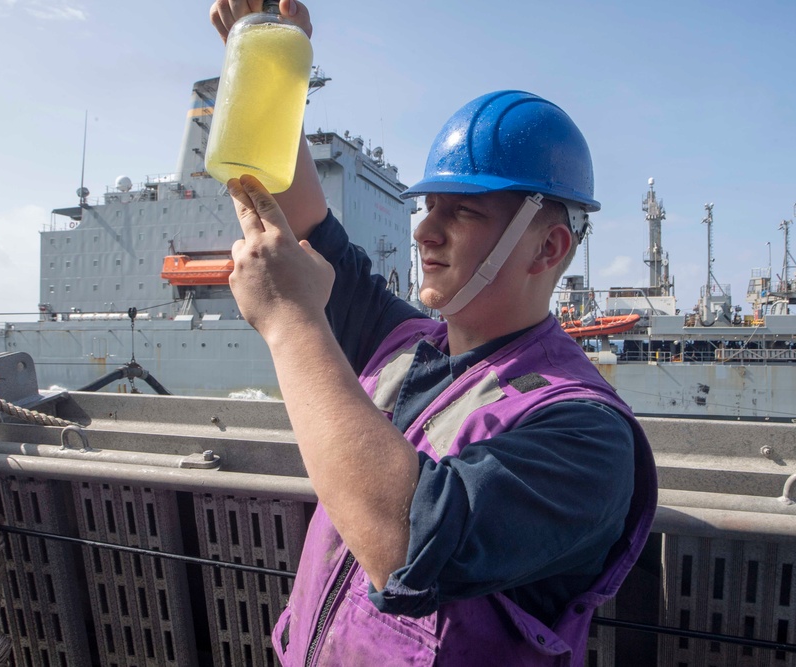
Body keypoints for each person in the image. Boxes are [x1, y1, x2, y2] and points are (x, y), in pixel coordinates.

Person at [211, 2, 657, 664]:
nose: (424, 230)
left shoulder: (586, 438)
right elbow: (295, 223)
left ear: (547, 247)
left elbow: (402, 546)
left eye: (464, 211)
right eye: (429, 206)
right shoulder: (404, 344)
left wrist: (289, 321)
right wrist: (272, 69)